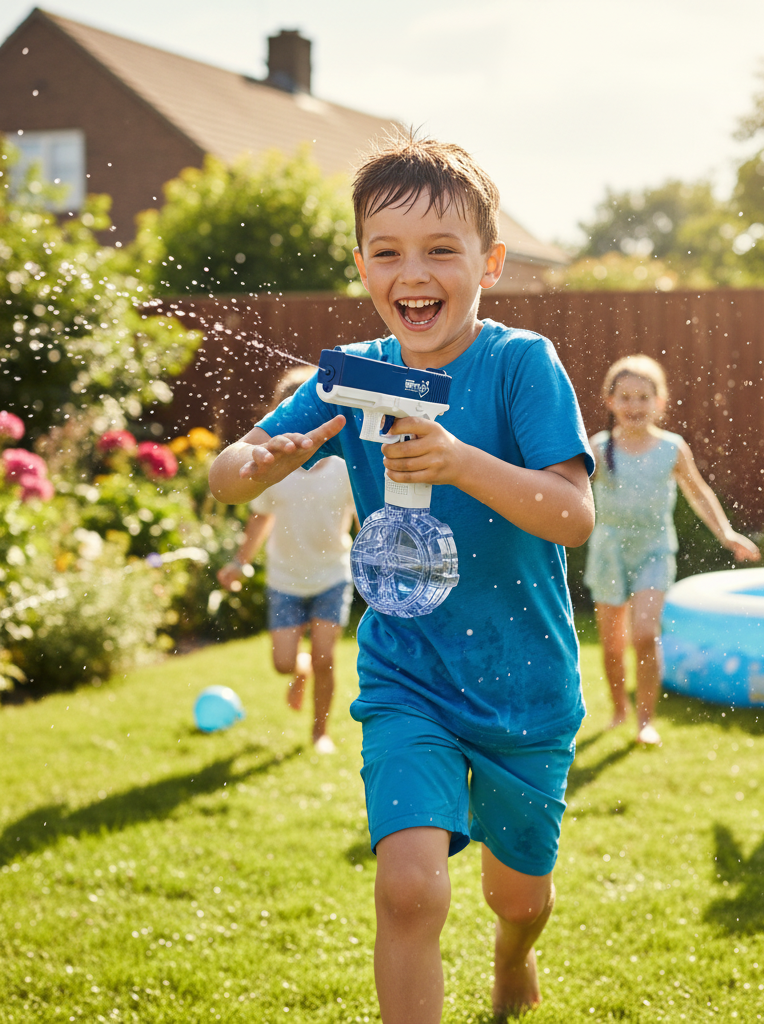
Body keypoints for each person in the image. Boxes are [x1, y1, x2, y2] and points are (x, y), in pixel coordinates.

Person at [208, 134, 595, 1024]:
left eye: (439, 251)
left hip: (525, 682)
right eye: (387, 252)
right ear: (362, 267)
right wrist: (262, 457)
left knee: (519, 899)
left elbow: (572, 515)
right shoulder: (350, 375)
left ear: (489, 263)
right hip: (406, 673)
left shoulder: (520, 365)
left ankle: (513, 961)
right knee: (410, 890)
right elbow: (230, 476)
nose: (411, 272)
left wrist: (460, 461)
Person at [584, 355, 760, 747]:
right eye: (625, 397)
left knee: (645, 633)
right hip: (609, 549)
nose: (634, 406)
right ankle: (618, 710)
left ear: (660, 403)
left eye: (643, 397)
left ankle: (646, 719)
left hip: (653, 549)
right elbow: (571, 490)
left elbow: (699, 493)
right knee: (612, 643)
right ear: (609, 401)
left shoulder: (671, 449)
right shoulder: (597, 447)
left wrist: (726, 532)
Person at [216, 365, 357, 756]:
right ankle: (300, 671)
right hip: (285, 579)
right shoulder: (273, 472)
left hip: (332, 574)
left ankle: (319, 732)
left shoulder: (346, 469)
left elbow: (367, 517)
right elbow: (260, 520)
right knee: (283, 663)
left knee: (327, 655)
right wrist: (240, 561)